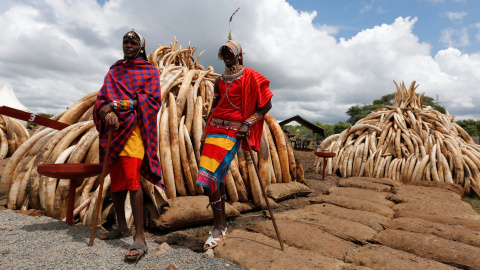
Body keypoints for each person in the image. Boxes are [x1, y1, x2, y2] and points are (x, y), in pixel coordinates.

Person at [93, 29, 163, 261]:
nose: (128, 46)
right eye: (125, 42)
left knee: (133, 181)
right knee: (117, 181)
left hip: (133, 132)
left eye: (133, 43)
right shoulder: (114, 70)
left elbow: (151, 101)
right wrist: (105, 113)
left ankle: (140, 236)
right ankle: (122, 227)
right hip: (112, 132)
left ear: (141, 47)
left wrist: (115, 105)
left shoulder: (149, 71)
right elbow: (101, 100)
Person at [197, 39, 273, 250]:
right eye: (224, 52)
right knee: (213, 179)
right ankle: (220, 226)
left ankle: (218, 227)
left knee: (211, 174)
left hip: (233, 131)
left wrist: (248, 123)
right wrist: (205, 134)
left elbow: (266, 104)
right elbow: (214, 107)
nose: (227, 55)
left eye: (231, 52)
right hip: (214, 130)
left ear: (239, 54)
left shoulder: (251, 76)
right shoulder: (219, 81)